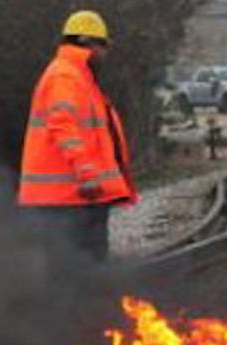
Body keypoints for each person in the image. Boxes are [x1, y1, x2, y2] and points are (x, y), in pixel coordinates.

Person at [18, 10, 137, 263]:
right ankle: (81, 303)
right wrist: (87, 174)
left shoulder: (78, 76)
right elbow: (64, 127)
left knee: (81, 270)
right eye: (103, 46)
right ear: (87, 43)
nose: (106, 53)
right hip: (67, 197)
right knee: (77, 270)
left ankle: (87, 303)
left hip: (74, 197)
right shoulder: (66, 76)